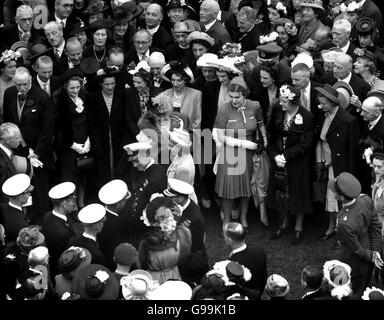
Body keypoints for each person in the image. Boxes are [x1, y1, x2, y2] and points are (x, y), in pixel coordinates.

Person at [213, 77, 267, 231]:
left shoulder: (255, 106)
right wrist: (242, 143)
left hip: (249, 153)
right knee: (228, 189)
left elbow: (261, 123)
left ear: (245, 95)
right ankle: (227, 221)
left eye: (237, 97)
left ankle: (243, 219)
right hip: (230, 151)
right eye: (231, 96)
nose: (234, 100)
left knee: (246, 188)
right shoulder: (224, 109)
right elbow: (220, 135)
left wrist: (265, 140)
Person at [3, 66, 54, 224]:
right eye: (18, 84)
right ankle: (27, 217)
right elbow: (7, 122)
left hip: (39, 151)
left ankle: (44, 219)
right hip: (18, 151)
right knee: (22, 185)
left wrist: (36, 153)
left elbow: (48, 128)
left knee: (40, 187)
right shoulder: (9, 93)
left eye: (25, 84)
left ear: (31, 80)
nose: (22, 88)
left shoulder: (42, 96)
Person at [269, 85, 314, 245]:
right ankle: (284, 223)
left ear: (293, 102)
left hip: (298, 162)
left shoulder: (307, 117)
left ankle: (298, 227)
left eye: (283, 102)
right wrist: (275, 156)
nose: (281, 104)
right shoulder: (278, 113)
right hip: (279, 161)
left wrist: (286, 156)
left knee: (298, 193)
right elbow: (272, 136)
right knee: (281, 193)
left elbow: (306, 143)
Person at [315, 84, 360, 240]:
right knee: (330, 197)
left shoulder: (348, 121)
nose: (321, 106)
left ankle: (343, 232)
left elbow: (352, 151)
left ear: (333, 102)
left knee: (341, 199)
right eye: (320, 102)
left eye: (324, 103)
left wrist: (349, 174)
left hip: (340, 167)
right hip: (325, 164)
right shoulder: (323, 116)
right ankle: (331, 226)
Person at [330, 172, 383, 296]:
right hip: (368, 261)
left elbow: (357, 249)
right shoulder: (365, 199)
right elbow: (375, 227)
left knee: (354, 293)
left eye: (334, 191)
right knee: (364, 287)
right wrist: (376, 252)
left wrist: (373, 256)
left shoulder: (344, 222)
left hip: (354, 266)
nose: (333, 192)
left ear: (341, 197)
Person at [54, 68, 96, 206]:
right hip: (69, 146)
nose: (75, 90)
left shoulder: (85, 95)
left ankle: (81, 202)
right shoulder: (59, 99)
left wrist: (89, 140)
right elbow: (59, 126)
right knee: (70, 178)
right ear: (66, 86)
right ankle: (71, 206)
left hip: (85, 140)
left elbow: (92, 119)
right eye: (72, 88)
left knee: (84, 174)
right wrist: (72, 145)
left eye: (78, 87)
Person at [138, 196, 191, 284]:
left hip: (160, 279)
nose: (166, 220)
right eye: (162, 217)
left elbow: (142, 264)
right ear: (153, 222)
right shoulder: (183, 233)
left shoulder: (183, 233)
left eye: (168, 216)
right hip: (167, 279)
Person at [90, 65, 128, 187]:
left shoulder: (121, 95)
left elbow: (125, 119)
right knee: (103, 170)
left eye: (112, 83)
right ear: (101, 84)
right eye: (107, 84)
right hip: (101, 140)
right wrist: (96, 143)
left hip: (118, 138)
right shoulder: (93, 97)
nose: (110, 87)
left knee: (120, 168)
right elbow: (92, 123)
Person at [124, 142, 168, 247]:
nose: (134, 165)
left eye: (136, 161)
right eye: (132, 162)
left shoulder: (155, 180)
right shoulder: (149, 169)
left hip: (145, 231)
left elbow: (154, 212)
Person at [42, 181, 79, 277]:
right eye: (72, 201)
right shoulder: (63, 233)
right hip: (63, 270)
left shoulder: (48, 215)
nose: (74, 204)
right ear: (64, 203)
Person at [97, 179, 132, 271]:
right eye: (124, 200)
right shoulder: (115, 227)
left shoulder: (102, 214)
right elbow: (121, 252)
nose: (125, 203)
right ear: (118, 204)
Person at [224, 222, 267, 294]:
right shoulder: (259, 251)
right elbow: (264, 277)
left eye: (224, 236)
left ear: (229, 241)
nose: (224, 238)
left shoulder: (231, 265)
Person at [126, 61, 162, 143]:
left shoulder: (158, 92)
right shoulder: (129, 93)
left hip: (154, 132)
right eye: (134, 82)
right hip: (136, 133)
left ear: (147, 82)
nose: (135, 85)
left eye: (139, 82)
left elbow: (161, 115)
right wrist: (138, 134)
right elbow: (129, 118)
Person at [161, 61, 201, 131]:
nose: (175, 84)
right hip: (169, 134)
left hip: (189, 134)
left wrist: (189, 133)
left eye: (179, 80)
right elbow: (162, 117)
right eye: (173, 80)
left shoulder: (196, 94)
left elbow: (198, 119)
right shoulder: (165, 94)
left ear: (185, 80)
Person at [359, 96, 384, 194]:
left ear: (377, 113)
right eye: (362, 110)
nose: (361, 114)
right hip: (364, 172)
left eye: (366, 112)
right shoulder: (367, 121)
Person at [0, 173, 32, 244]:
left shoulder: (2, 207)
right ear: (19, 198)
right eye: (27, 193)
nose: (29, 194)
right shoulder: (22, 225)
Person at [0, 123, 22, 203]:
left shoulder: (8, 153)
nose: (20, 140)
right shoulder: (1, 161)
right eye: (17, 138)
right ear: (6, 140)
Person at [0, 49, 22, 121]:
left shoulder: (18, 81)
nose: (14, 69)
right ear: (2, 69)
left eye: (15, 66)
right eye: (10, 67)